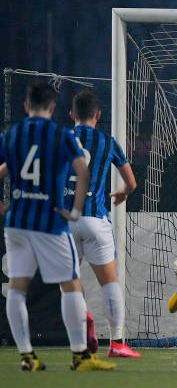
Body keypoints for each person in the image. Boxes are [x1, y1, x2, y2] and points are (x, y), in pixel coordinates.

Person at [1, 81, 115, 371]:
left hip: (17, 224)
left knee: (17, 288)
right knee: (71, 284)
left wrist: (4, 208)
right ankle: (80, 356)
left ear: (26, 107)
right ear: (53, 109)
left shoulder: (12, 135)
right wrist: (75, 211)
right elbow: (82, 173)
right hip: (50, 222)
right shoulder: (61, 136)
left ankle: (27, 356)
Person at [64, 89, 140, 358]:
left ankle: (82, 329)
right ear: (98, 115)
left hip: (63, 224)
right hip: (95, 221)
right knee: (110, 283)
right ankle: (117, 343)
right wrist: (122, 192)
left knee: (68, 285)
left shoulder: (59, 140)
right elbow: (131, 183)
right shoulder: (108, 142)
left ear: (72, 115)